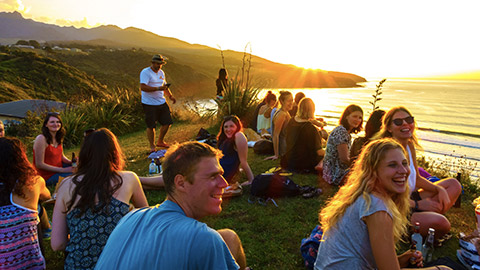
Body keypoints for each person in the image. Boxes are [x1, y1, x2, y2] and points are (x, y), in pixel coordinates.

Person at [95, 141, 249, 270]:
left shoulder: (130, 217)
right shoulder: (204, 238)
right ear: (181, 183)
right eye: (213, 176)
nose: (224, 183)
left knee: (229, 237)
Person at [315, 138, 451, 270]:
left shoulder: (361, 195)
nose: (403, 170)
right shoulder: (377, 208)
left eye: (404, 163)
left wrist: (401, 260)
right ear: (373, 171)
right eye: (392, 165)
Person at [51, 128, 148, 270]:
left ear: (84, 154)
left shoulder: (66, 185)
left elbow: (57, 244)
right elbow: (146, 222)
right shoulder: (129, 179)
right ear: (114, 152)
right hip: (122, 263)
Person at [375, 106, 461, 238]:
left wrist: (440, 190)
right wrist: (418, 204)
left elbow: (418, 179)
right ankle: (405, 229)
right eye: (398, 122)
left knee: (454, 184)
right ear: (389, 128)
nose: (405, 124)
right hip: (396, 207)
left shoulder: (409, 146)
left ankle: (428, 217)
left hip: (410, 197)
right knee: (442, 224)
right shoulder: (385, 152)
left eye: (409, 120)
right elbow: (381, 194)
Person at [0, 137, 51, 270]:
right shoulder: (33, 182)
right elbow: (47, 196)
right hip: (30, 264)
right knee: (36, 210)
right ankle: (47, 231)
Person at [140, 54, 177, 153]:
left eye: (161, 64)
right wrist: (157, 88)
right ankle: (152, 146)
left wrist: (170, 96)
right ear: (152, 63)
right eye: (158, 64)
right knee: (151, 125)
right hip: (149, 103)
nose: (159, 66)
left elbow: (164, 86)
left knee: (167, 122)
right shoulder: (145, 72)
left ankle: (160, 141)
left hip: (161, 101)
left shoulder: (161, 72)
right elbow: (143, 87)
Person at [323, 104, 363, 185]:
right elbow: (344, 159)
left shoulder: (344, 131)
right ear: (346, 116)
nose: (357, 120)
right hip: (335, 174)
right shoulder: (342, 132)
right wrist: (359, 166)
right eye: (354, 116)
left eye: (360, 118)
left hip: (330, 171)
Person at [281, 98, 324, 173]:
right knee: (327, 155)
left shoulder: (292, 120)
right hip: (303, 164)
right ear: (312, 110)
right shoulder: (311, 128)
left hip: (290, 161)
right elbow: (319, 152)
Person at [33, 112, 73, 186]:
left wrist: (71, 162)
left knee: (81, 169)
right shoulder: (41, 139)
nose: (55, 124)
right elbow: (39, 164)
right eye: (52, 122)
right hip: (46, 176)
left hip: (58, 168)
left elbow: (61, 156)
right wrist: (63, 170)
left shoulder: (58, 137)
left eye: (58, 122)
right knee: (75, 176)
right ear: (46, 125)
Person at [217, 115, 254, 194]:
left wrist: (251, 180)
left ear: (237, 127)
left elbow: (243, 161)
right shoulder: (225, 138)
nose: (228, 129)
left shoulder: (239, 135)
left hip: (222, 172)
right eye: (226, 127)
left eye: (231, 126)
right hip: (218, 167)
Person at [265, 91, 293, 160]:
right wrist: (276, 155)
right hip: (284, 148)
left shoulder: (285, 112)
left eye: (292, 100)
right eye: (289, 101)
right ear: (282, 101)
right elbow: (275, 135)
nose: (291, 103)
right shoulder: (281, 114)